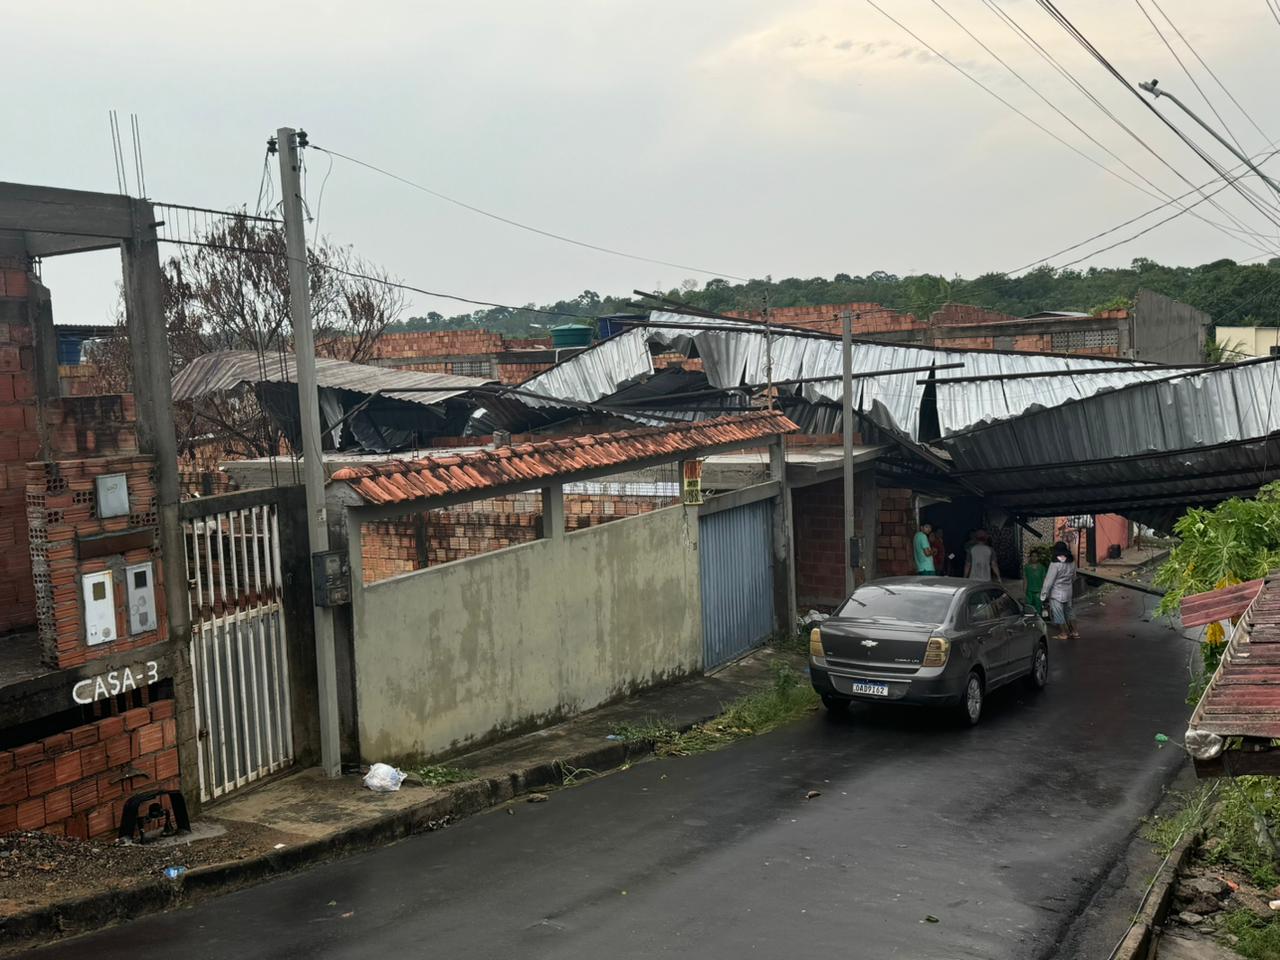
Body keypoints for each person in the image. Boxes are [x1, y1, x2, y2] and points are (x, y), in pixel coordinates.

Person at [1040, 540, 1079, 640]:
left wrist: (1043, 594)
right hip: (1068, 590)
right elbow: (1074, 577)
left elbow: (1049, 580)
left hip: (1056, 592)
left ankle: (1063, 633)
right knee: (1069, 612)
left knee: (1058, 613)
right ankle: (1074, 632)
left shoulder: (1055, 563)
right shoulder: (1071, 561)